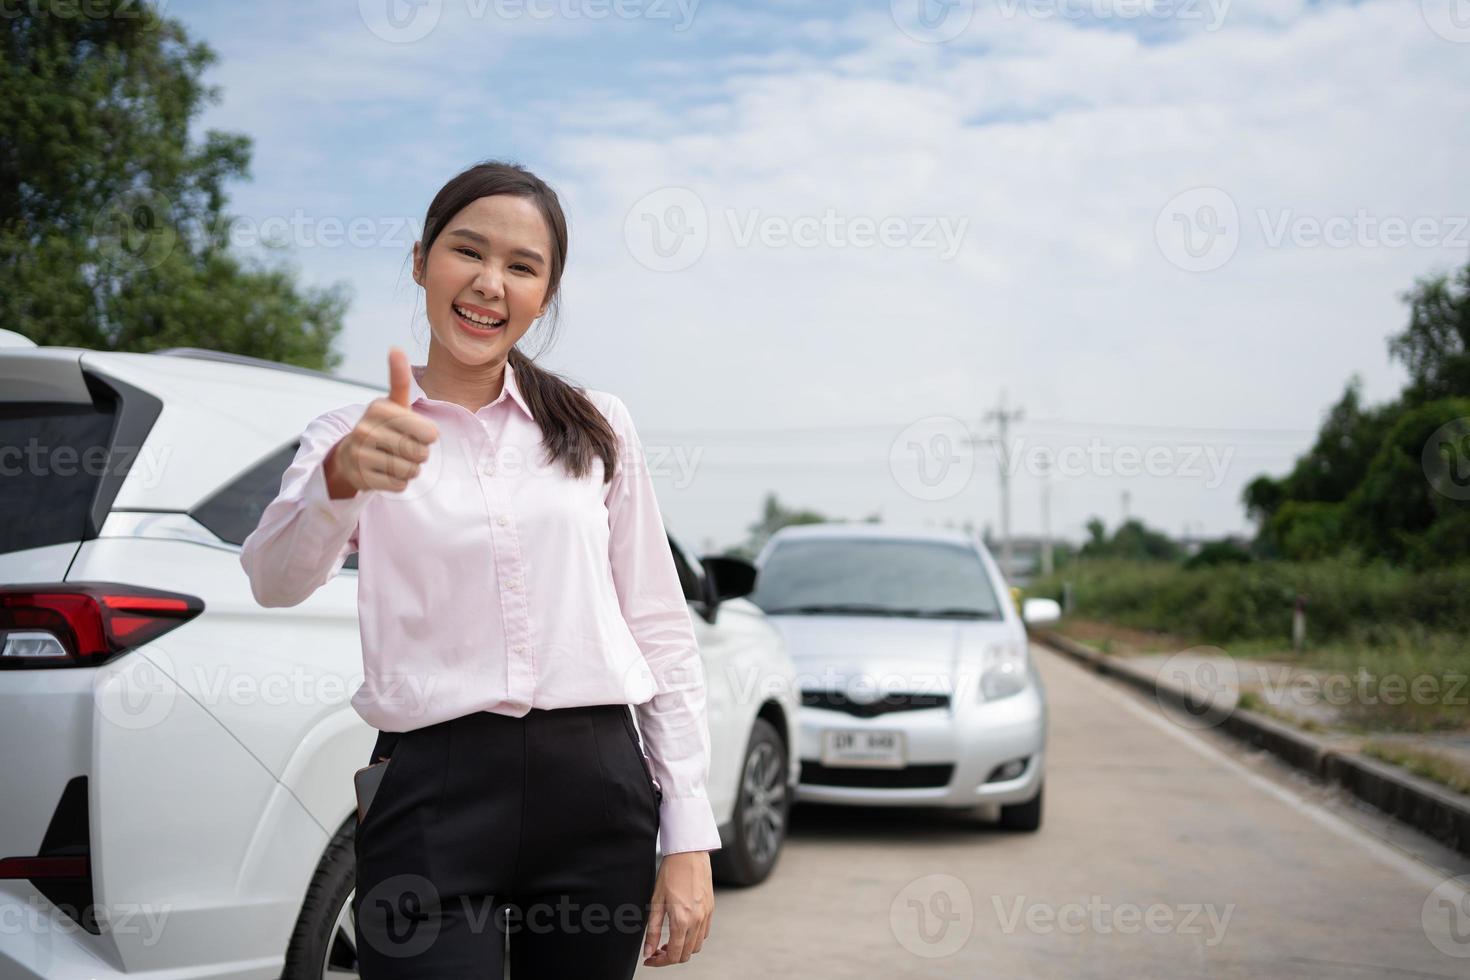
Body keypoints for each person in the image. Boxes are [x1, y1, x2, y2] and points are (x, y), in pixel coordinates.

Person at [239, 160, 718, 977]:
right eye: (468, 252)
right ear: (422, 261)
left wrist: (690, 834)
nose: (490, 283)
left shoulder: (599, 427)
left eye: (522, 267)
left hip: (598, 786)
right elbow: (273, 580)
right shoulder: (351, 433)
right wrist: (343, 479)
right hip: (432, 791)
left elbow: (659, 626)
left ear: (544, 294)